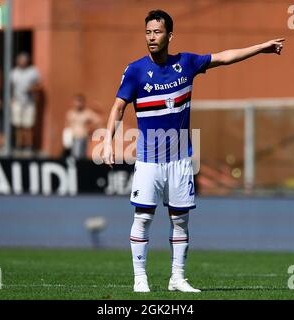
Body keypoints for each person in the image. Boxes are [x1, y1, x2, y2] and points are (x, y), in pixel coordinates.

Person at [102, 10, 284, 292]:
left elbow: (224, 57)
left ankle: (178, 278)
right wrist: (107, 141)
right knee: (143, 218)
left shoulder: (186, 63)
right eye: (148, 32)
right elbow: (118, 106)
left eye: (157, 32)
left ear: (169, 35)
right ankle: (140, 279)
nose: (152, 37)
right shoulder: (136, 70)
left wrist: (261, 48)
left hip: (180, 160)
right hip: (149, 160)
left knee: (180, 221)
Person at [10, 52, 41, 153]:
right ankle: (19, 146)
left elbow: (39, 86)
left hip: (29, 103)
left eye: (24, 60)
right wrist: (11, 99)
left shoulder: (33, 72)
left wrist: (32, 89)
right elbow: (10, 87)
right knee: (18, 125)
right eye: (20, 60)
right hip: (17, 102)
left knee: (28, 126)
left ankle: (28, 147)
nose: (22, 62)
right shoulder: (14, 72)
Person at [62, 94, 101, 159]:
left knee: (80, 157)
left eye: (79, 101)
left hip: (82, 138)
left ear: (83, 102)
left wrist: (91, 131)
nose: (78, 104)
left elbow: (98, 121)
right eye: (76, 101)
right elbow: (67, 126)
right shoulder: (70, 113)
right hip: (72, 139)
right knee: (72, 157)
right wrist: (66, 138)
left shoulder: (87, 113)